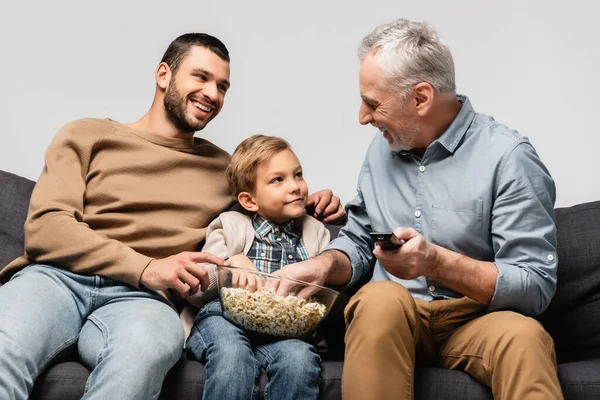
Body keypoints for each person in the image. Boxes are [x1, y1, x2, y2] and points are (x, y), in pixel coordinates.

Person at [0, 34, 344, 399]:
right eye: (201, 77)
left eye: (222, 86)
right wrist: (147, 266)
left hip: (143, 301)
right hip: (56, 280)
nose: (212, 93)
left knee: (143, 356)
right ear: (164, 75)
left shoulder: (224, 169)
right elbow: (46, 227)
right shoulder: (87, 135)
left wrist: (311, 204)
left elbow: (266, 202)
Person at [273, 19, 564, 399]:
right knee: (378, 301)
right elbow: (360, 241)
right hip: (393, 316)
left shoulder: (508, 158)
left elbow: (535, 285)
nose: (362, 116)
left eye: (372, 103)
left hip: (477, 320)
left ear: (421, 98)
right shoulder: (382, 149)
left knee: (525, 337)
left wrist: (436, 263)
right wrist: (324, 264)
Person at [182, 134, 330, 400]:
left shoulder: (315, 232)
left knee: (299, 361)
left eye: (298, 175)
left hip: (284, 329)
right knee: (231, 354)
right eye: (278, 180)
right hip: (223, 317)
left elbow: (321, 293)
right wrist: (230, 264)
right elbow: (197, 290)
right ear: (249, 201)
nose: (295, 186)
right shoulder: (228, 226)